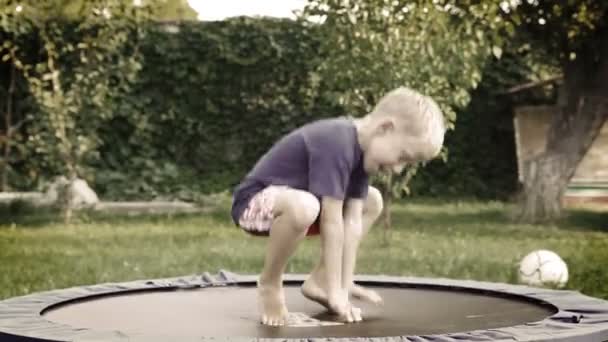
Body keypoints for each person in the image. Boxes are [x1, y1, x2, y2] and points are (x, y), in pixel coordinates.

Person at [231, 87, 446, 326]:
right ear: (385, 128)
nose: (398, 169)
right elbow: (331, 221)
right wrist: (337, 294)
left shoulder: (365, 153)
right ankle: (270, 284)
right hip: (255, 205)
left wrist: (343, 286)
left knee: (372, 201)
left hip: (305, 209)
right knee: (306, 205)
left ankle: (321, 280)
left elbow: (351, 224)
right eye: (403, 157)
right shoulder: (337, 141)